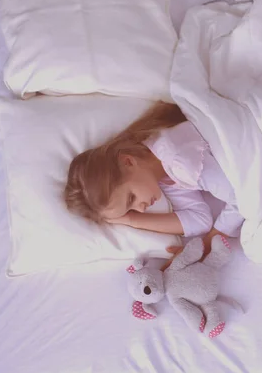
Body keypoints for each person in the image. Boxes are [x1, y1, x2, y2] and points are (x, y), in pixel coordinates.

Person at [63, 102, 243, 260]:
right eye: (132, 208)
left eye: (131, 199)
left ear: (128, 162)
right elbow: (199, 220)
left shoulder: (178, 160)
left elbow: (243, 197)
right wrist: (132, 219)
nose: (141, 208)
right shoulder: (162, 174)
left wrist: (213, 238)